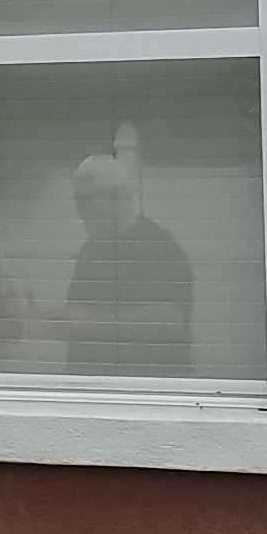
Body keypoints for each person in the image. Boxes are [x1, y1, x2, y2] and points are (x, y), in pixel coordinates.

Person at [56, 152, 196, 377]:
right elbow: (81, 312)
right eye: (76, 201)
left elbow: (170, 320)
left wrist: (93, 324)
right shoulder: (91, 249)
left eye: (85, 200)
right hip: (90, 391)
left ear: (118, 196)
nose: (78, 211)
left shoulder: (160, 247)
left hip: (147, 393)